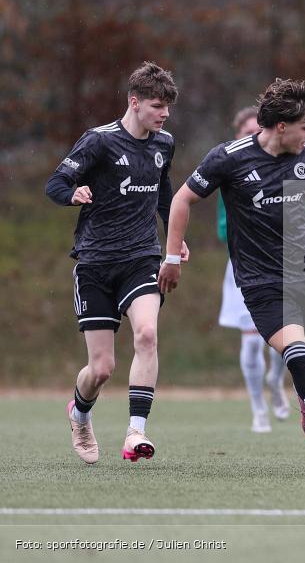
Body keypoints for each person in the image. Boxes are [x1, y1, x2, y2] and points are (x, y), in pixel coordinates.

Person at [158, 78, 305, 478]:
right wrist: (171, 256)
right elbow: (182, 199)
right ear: (281, 126)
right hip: (261, 282)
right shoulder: (229, 158)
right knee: (299, 359)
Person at [45, 61, 187, 464]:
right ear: (134, 102)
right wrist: (72, 194)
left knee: (147, 334)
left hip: (141, 257)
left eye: (168, 107)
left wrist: (175, 238)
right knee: (102, 368)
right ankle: (80, 414)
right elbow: (55, 183)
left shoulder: (164, 144)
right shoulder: (99, 141)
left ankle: (135, 432)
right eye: (157, 106)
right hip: (95, 262)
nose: (164, 114)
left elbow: (164, 192)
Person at [217, 106, 290, 433]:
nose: (252, 137)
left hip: (280, 264)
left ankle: (276, 381)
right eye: (246, 132)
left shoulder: (285, 166)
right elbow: (223, 226)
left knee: (285, 340)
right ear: (237, 135)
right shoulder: (230, 170)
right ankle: (258, 407)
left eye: (256, 132)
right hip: (244, 266)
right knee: (250, 343)